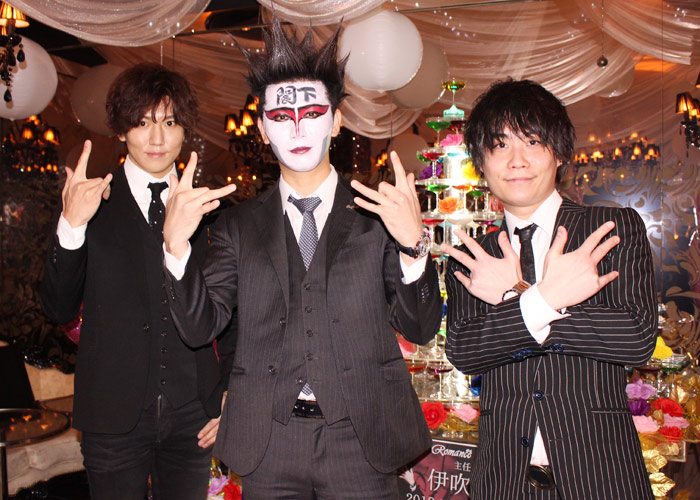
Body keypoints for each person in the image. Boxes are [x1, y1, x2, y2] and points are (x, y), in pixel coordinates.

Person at [162, 17, 442, 500]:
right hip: (269, 441)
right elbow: (199, 327)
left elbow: (420, 327)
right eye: (280, 116)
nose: (296, 128)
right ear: (262, 129)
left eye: (312, 113)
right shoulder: (237, 226)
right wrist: (176, 249)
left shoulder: (378, 216)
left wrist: (413, 245)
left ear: (337, 120)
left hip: (362, 437)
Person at [441, 78, 657, 499]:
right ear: (480, 162)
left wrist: (516, 296)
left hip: (601, 478)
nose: (516, 161)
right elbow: (465, 350)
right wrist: (542, 300)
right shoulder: (473, 255)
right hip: (503, 482)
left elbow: (635, 337)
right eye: (500, 145)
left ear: (559, 153)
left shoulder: (609, 228)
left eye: (532, 142)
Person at [40, 63, 236, 500]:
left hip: (194, 417)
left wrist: (229, 395)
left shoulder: (211, 212)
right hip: (111, 415)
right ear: (121, 129)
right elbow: (56, 307)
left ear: (185, 131)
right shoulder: (90, 204)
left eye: (169, 122)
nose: (157, 138)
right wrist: (71, 226)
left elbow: (233, 317)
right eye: (143, 123)